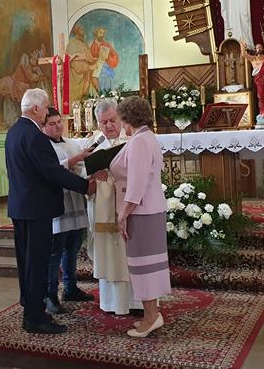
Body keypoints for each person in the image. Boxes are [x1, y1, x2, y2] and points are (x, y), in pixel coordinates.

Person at [5, 88, 96, 334]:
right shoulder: (35, 136)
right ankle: (35, 317)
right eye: (45, 107)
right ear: (36, 109)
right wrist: (85, 186)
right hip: (36, 210)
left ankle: (30, 309)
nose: (47, 111)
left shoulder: (14, 132)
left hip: (21, 208)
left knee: (27, 263)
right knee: (37, 263)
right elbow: (52, 172)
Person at [109, 96, 171, 338]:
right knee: (146, 266)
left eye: (121, 119)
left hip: (142, 211)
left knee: (144, 268)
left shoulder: (138, 142)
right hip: (148, 209)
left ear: (127, 118)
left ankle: (151, 317)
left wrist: (123, 215)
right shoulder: (146, 137)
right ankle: (150, 315)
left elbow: (136, 186)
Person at [85, 99, 143, 316]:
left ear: (120, 118)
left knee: (129, 252)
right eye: (103, 122)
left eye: (112, 120)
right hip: (103, 208)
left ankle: (137, 301)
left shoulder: (132, 140)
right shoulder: (93, 144)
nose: (109, 125)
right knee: (109, 252)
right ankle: (112, 303)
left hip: (127, 206)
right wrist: (93, 176)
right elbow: (82, 175)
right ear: (98, 123)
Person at [41, 107, 95, 315]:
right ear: (43, 126)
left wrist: (88, 168)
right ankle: (50, 295)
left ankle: (70, 288)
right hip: (58, 204)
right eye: (52, 124)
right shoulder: (43, 146)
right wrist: (76, 159)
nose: (57, 127)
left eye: (59, 122)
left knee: (73, 247)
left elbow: (80, 168)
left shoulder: (71, 143)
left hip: (75, 201)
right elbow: (51, 171)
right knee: (55, 252)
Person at [65, 24, 98, 101]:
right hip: (77, 79)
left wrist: (94, 59)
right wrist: (88, 67)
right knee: (78, 102)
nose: (83, 31)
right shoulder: (72, 44)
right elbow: (74, 64)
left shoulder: (83, 43)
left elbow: (88, 57)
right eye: (81, 29)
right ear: (76, 31)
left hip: (86, 78)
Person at [90, 27, 119, 94]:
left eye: (103, 33)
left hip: (106, 68)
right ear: (96, 33)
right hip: (96, 69)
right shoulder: (93, 46)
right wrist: (94, 60)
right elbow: (90, 59)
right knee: (98, 84)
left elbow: (115, 56)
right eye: (100, 33)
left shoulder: (107, 45)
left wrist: (108, 57)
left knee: (107, 81)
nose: (102, 35)